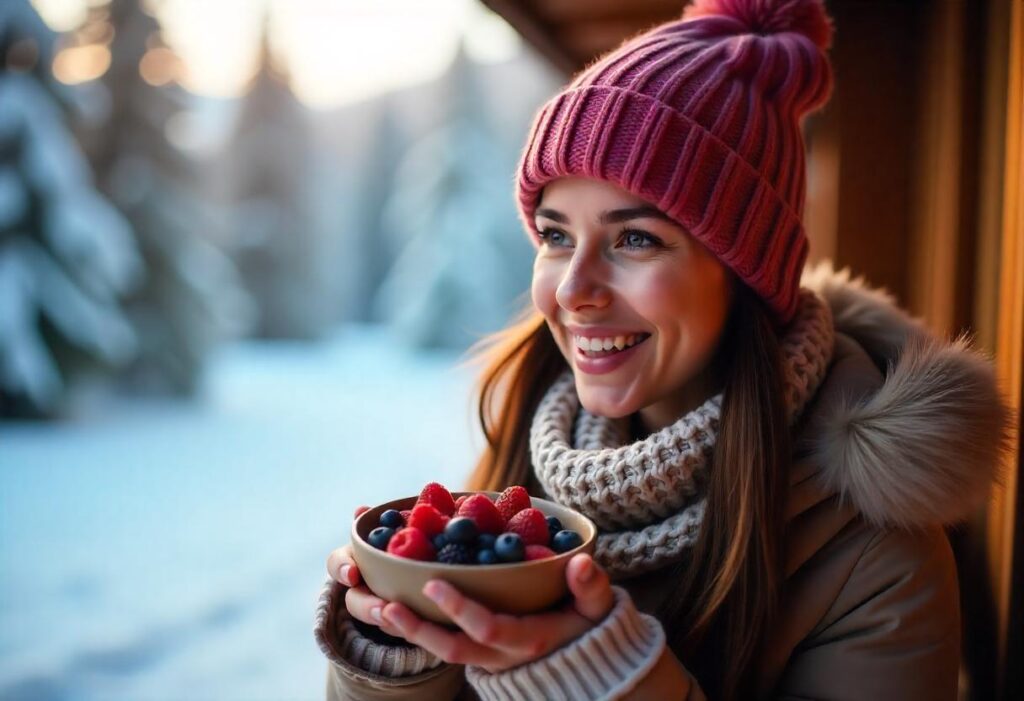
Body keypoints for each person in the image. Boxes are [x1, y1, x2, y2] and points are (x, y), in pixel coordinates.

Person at [315, 0, 1014, 698]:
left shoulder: (875, 560)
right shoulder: (528, 459)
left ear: (742, 276)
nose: (573, 290)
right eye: (556, 235)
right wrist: (399, 653)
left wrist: (610, 681)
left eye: (635, 239)